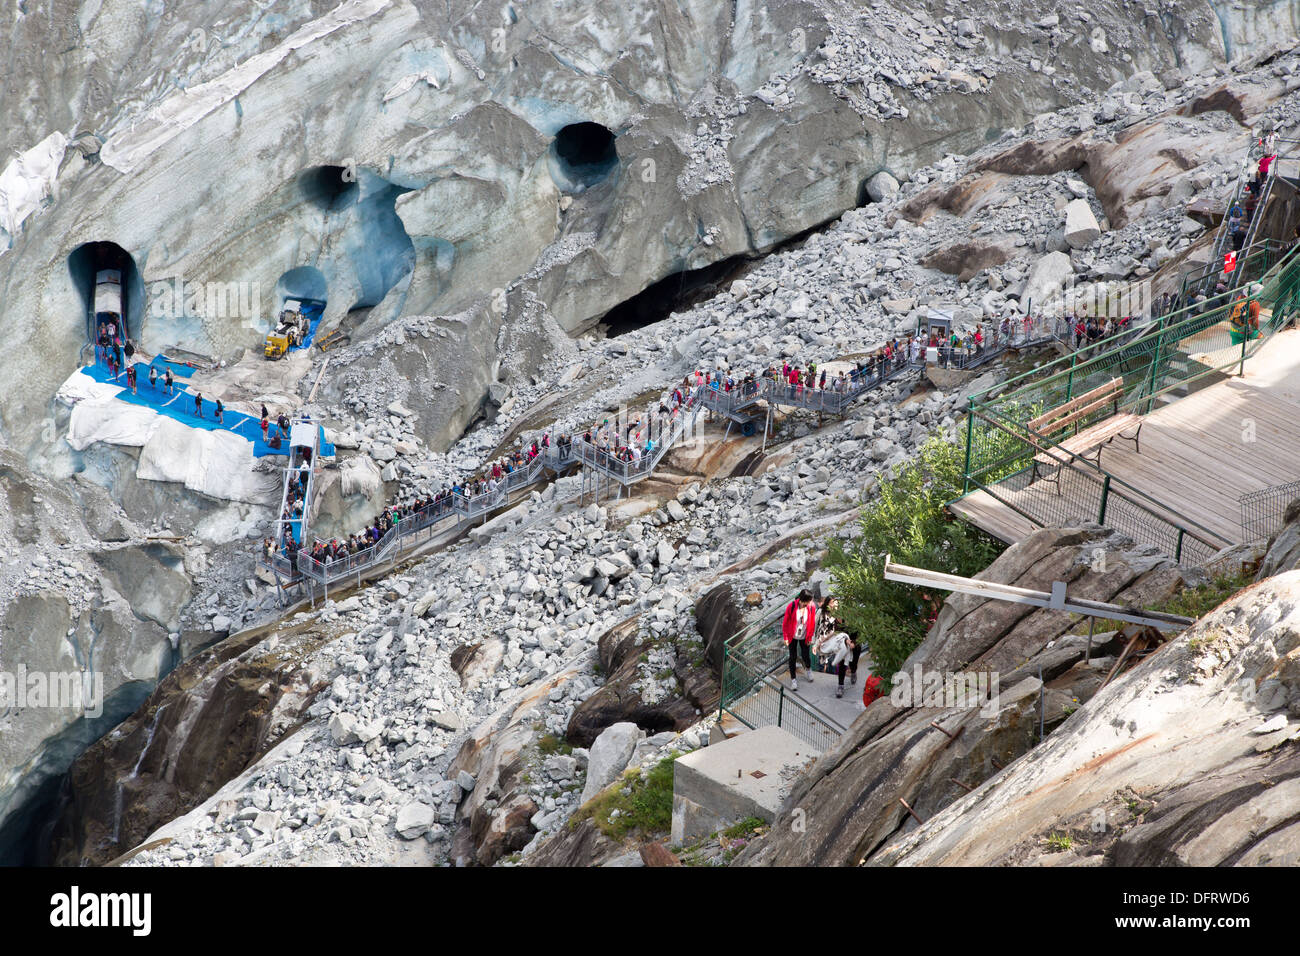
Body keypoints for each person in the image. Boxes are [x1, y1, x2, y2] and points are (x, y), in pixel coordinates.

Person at [782, 589, 817, 691]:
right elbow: (785, 623)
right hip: (792, 636)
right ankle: (793, 679)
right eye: (809, 601)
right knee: (793, 657)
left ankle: (808, 670)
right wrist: (785, 637)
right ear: (803, 600)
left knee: (806, 655)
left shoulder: (811, 607)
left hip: (804, 635)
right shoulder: (792, 606)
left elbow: (812, 623)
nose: (810, 603)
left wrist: (810, 637)